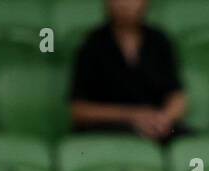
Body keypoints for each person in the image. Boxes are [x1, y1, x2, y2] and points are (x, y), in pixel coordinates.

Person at [69, 0, 189, 142]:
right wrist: (133, 116)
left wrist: (164, 118)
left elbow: (177, 96)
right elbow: (79, 110)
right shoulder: (91, 44)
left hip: (156, 125)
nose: (124, 4)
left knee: (188, 139)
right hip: (109, 128)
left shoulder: (159, 41)